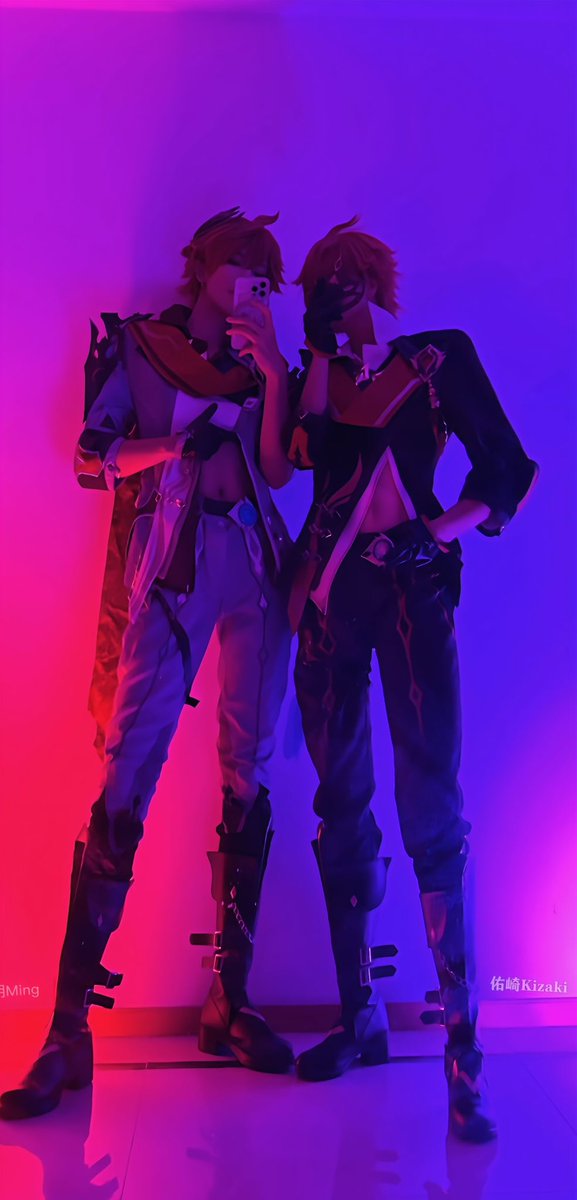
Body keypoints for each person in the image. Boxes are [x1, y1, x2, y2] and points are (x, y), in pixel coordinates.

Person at [0, 207, 295, 1121]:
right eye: (241, 263)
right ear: (202, 264)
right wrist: (171, 444)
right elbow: (91, 458)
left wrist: (273, 371)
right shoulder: (142, 346)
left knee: (248, 771)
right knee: (127, 772)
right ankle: (67, 1030)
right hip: (172, 568)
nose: (253, 279)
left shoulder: (260, 359)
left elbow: (277, 472)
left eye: (265, 271)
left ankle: (229, 999)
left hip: (255, 570)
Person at [286, 217, 538, 1141]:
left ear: (375, 284)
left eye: (346, 283)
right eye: (322, 288)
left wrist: (432, 534)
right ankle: (360, 1016)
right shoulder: (321, 371)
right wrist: (315, 354)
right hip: (329, 599)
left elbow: (505, 469)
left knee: (432, 804)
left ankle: (462, 1056)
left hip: (414, 592)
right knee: (341, 800)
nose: (336, 298)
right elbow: (304, 456)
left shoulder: (436, 358)